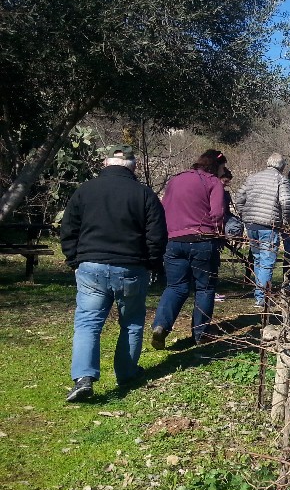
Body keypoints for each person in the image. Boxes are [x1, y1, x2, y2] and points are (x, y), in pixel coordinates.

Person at [60, 145, 167, 402]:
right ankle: (127, 373)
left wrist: (74, 258)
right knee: (131, 323)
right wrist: (151, 264)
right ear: (134, 166)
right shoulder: (144, 194)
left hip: (91, 266)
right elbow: (157, 235)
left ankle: (83, 378)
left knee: (87, 323)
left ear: (105, 164)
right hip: (131, 267)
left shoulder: (85, 191)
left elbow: (68, 227)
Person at [150, 152, 226, 349]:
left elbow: (163, 207)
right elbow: (217, 213)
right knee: (205, 287)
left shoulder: (176, 180)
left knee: (175, 286)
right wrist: (219, 233)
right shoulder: (213, 182)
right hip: (202, 239)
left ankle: (161, 325)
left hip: (173, 240)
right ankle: (200, 332)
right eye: (222, 168)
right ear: (216, 166)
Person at [233, 153, 290, 307]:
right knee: (267, 261)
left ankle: (259, 294)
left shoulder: (253, 177)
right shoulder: (281, 180)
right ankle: (262, 297)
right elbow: (286, 201)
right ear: (282, 166)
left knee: (258, 259)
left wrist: (244, 214)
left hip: (251, 224)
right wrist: (286, 220)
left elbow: (239, 196)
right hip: (269, 224)